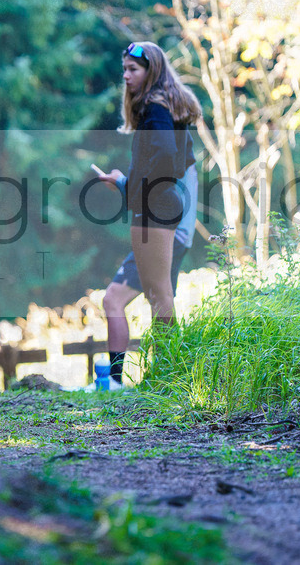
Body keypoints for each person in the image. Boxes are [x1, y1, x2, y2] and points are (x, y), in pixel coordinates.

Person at [96, 41, 201, 386]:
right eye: (124, 69)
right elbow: (184, 158)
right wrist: (133, 185)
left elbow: (170, 158)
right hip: (153, 205)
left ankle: (170, 375)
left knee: (159, 295)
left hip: (154, 208)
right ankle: (166, 374)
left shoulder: (155, 108)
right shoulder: (166, 106)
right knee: (158, 294)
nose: (126, 76)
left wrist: (137, 185)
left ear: (151, 72)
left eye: (133, 70)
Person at [97, 164, 197, 389]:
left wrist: (122, 182)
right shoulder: (174, 138)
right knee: (158, 299)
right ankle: (168, 376)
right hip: (174, 231)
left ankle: (116, 381)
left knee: (116, 299)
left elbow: (159, 190)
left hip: (164, 231)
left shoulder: (166, 137)